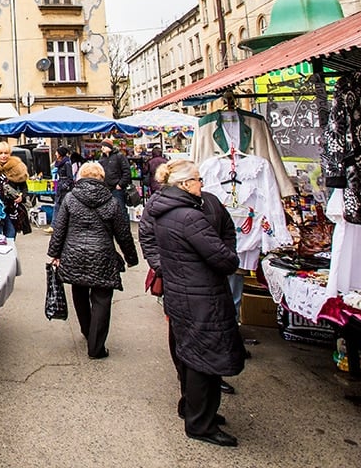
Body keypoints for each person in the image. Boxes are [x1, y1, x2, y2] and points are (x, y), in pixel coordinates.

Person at [144, 159, 244, 448]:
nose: (202, 184)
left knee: (190, 352)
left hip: (183, 289)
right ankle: (200, 423)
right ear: (185, 184)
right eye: (198, 179)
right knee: (202, 356)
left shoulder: (170, 210)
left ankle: (195, 410)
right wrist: (228, 257)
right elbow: (223, 259)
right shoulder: (189, 217)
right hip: (199, 293)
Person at [46, 161, 138, 359]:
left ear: (80, 177)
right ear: (102, 179)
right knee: (102, 299)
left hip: (74, 254)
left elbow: (59, 228)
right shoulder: (112, 201)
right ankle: (96, 347)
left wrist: (54, 253)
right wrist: (131, 258)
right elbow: (123, 233)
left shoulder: (70, 198)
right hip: (103, 255)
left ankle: (88, 332)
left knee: (79, 292)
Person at [100, 140, 133, 209]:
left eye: (104, 146)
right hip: (106, 188)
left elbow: (127, 171)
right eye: (102, 146)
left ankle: (124, 220)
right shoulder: (102, 159)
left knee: (120, 209)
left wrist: (120, 184)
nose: (102, 148)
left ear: (110, 147)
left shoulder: (119, 156)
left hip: (117, 189)